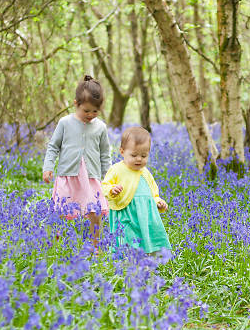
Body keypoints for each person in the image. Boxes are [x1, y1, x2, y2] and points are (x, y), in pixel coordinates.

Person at [42, 75, 111, 250]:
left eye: (95, 111)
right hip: (68, 176)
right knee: (61, 212)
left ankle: (95, 248)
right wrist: (48, 167)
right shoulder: (65, 123)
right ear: (76, 104)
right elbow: (53, 147)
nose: (90, 115)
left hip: (91, 177)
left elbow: (105, 154)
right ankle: (55, 248)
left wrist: (108, 178)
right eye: (86, 110)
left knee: (94, 213)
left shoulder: (101, 127)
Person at [102, 126, 172, 254]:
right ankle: (128, 265)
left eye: (144, 155)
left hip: (145, 216)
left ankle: (148, 264)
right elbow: (105, 186)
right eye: (134, 155)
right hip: (126, 214)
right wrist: (112, 190)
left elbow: (153, 193)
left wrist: (158, 202)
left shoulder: (146, 173)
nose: (139, 159)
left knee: (147, 239)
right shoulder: (116, 169)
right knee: (128, 240)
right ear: (122, 152)